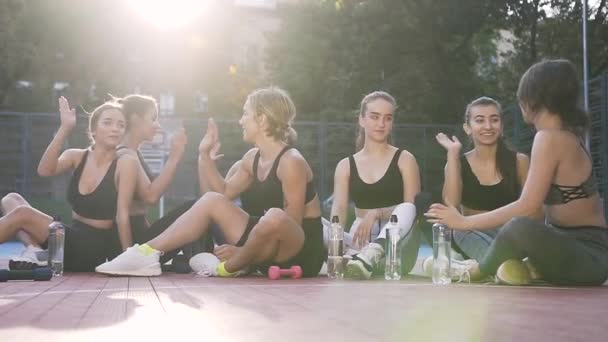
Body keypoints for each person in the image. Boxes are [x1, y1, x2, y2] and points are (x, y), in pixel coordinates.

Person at [95, 87, 325, 277]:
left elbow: (291, 228)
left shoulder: (291, 162)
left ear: (262, 119)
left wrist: (244, 251)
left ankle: (228, 268)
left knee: (275, 216)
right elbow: (220, 194)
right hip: (262, 244)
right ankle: (145, 254)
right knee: (213, 201)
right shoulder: (252, 158)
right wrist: (204, 155)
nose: (240, 121)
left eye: (245, 113)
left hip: (298, 251)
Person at [426, 59, 608, 286]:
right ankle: (515, 267)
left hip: (588, 255)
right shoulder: (565, 136)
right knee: (518, 228)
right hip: (566, 248)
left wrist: (462, 222)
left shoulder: (550, 137)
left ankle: (476, 271)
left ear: (532, 100)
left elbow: (528, 206)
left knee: (519, 225)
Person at [0, 97, 139, 271]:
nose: (115, 129)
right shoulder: (76, 156)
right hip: (68, 238)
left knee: (23, 214)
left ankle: (36, 252)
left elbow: (122, 215)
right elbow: (44, 170)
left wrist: (129, 258)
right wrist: (65, 128)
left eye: (121, 125)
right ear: (93, 130)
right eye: (108, 123)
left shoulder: (126, 162)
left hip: (91, 249)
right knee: (11, 199)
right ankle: (34, 250)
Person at [330, 91, 421, 280]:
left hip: (398, 245)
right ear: (361, 120)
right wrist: (336, 251)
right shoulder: (345, 165)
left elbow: (412, 210)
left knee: (408, 207)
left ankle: (372, 254)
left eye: (387, 118)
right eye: (374, 117)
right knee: (321, 226)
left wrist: (376, 213)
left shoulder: (405, 159)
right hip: (359, 241)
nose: (381, 124)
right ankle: (356, 259)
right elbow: (338, 211)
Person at [434, 97, 533, 262]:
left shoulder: (520, 161)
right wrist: (452, 154)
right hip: (474, 236)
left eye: (494, 120)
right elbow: (451, 204)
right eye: (480, 120)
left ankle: (492, 265)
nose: (488, 126)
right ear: (468, 128)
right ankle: (505, 265)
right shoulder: (456, 164)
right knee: (458, 230)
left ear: (501, 127)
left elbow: (533, 211)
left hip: (511, 235)